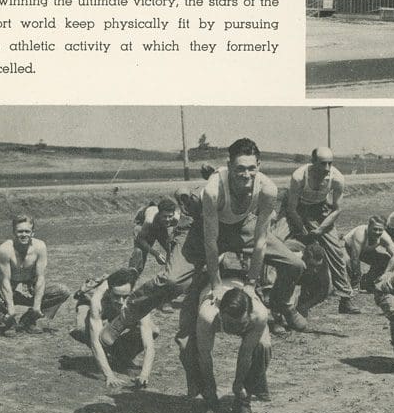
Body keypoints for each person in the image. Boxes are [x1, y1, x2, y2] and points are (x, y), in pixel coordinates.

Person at [124, 138, 305, 330]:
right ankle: (125, 315)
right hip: (204, 230)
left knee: (295, 265)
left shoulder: (268, 189)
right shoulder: (214, 189)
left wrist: (251, 284)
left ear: (259, 165)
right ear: (229, 166)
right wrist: (217, 285)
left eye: (252, 168)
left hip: (244, 227)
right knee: (173, 281)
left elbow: (260, 240)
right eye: (240, 169)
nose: (246, 174)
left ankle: (281, 305)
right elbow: (211, 242)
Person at [184, 281, 272, 413]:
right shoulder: (208, 315)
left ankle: (243, 402)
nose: (235, 330)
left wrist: (239, 385)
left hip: (239, 285)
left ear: (250, 315)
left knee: (263, 346)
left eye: (241, 325)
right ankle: (209, 401)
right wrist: (211, 391)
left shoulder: (260, 315)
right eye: (230, 324)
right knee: (188, 347)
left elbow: (246, 353)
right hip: (211, 289)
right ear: (220, 314)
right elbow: (205, 357)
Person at [286, 147, 360, 314]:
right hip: (296, 209)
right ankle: (267, 292)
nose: (327, 168)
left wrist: (320, 230)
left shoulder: (337, 178)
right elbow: (291, 208)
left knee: (336, 250)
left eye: (330, 163)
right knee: (276, 240)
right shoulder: (299, 176)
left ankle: (345, 298)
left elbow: (337, 209)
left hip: (319, 211)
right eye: (322, 164)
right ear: (313, 162)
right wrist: (303, 231)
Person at [0, 215, 70, 334]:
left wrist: (37, 306)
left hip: (29, 289)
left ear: (33, 233)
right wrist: (11, 308)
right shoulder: (5, 249)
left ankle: (29, 320)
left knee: (62, 291)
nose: (23, 234)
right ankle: (9, 323)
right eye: (20, 231)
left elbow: (40, 278)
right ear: (14, 232)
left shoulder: (40, 247)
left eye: (27, 231)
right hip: (8, 289)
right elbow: (4, 281)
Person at [72, 268, 157, 389]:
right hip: (89, 304)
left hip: (119, 310)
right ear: (109, 290)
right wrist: (109, 375)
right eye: (117, 296)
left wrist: (144, 375)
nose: (121, 301)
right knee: (84, 331)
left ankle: (121, 356)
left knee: (153, 330)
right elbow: (95, 342)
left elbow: (149, 345)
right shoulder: (97, 300)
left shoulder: (139, 299)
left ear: (132, 291)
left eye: (125, 296)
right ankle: (103, 350)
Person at [129, 197, 180, 280]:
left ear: (174, 214)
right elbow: (140, 239)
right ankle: (130, 281)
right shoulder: (150, 220)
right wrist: (156, 254)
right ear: (159, 213)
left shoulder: (177, 219)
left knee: (172, 249)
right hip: (142, 224)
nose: (167, 219)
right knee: (140, 253)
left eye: (170, 216)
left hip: (160, 227)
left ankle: (170, 277)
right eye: (164, 216)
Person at [344, 216, 394, 292]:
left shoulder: (385, 237)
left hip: (365, 251)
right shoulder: (360, 233)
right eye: (375, 229)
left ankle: (367, 281)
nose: (377, 232)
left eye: (380, 230)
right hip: (347, 248)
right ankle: (353, 284)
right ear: (369, 226)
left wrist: (385, 274)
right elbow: (355, 258)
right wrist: (356, 280)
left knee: (385, 259)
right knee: (348, 264)